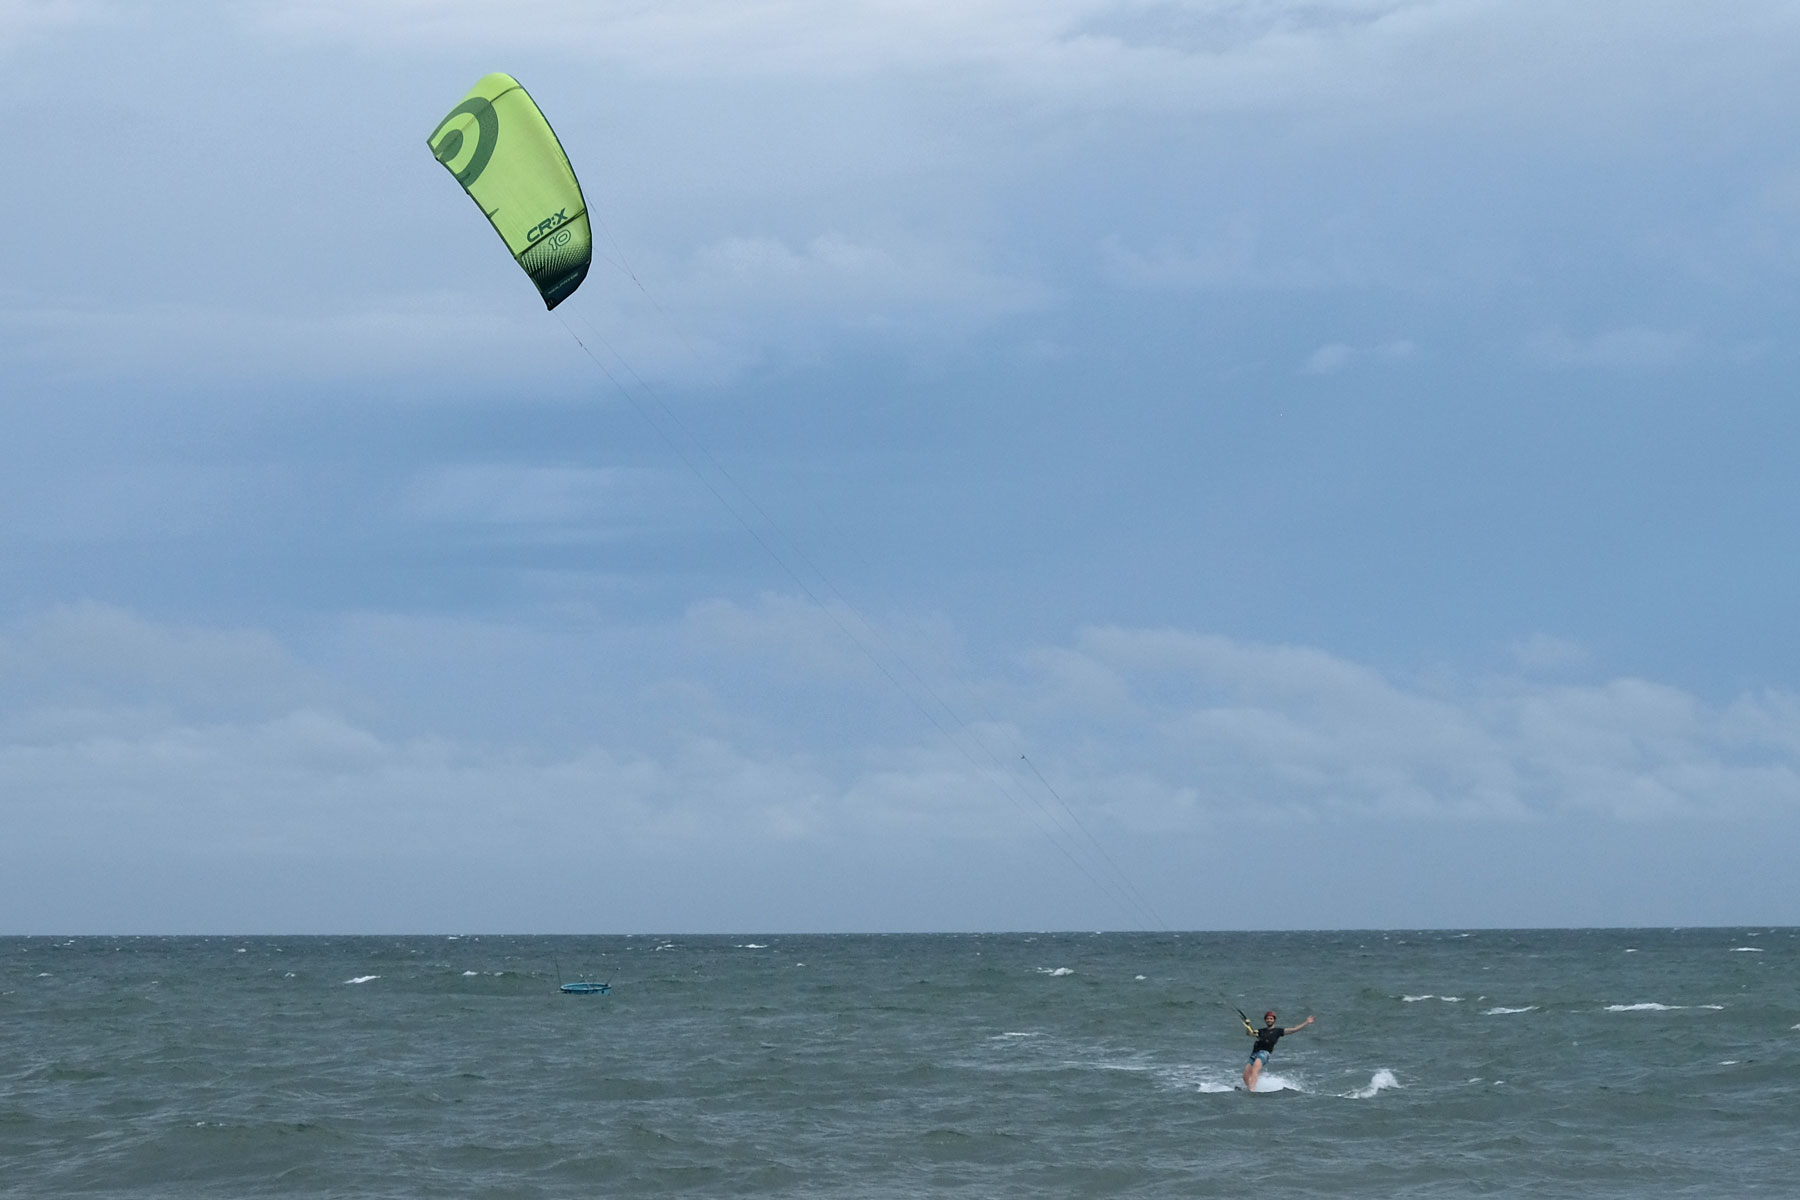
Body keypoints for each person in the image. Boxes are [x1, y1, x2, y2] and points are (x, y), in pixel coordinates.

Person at [1242, 1009, 1314, 1091]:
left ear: (1274, 1020)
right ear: (1265, 1020)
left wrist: (1307, 1022)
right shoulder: (1261, 1031)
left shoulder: (1278, 1031)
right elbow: (1250, 1033)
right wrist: (1247, 1026)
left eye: (1271, 1019)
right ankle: (1248, 1087)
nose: (1269, 1020)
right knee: (1245, 1075)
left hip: (1264, 1053)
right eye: (1268, 1018)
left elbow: (1294, 1030)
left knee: (1255, 1069)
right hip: (1254, 1053)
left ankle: (1252, 1090)